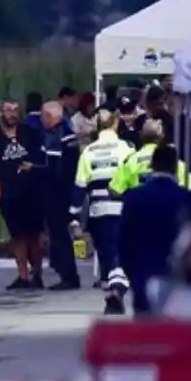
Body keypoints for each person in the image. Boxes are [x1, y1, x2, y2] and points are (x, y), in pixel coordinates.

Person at [119, 145, 191, 315]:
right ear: (175, 167)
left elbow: (124, 240)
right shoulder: (188, 199)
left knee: (145, 334)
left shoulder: (134, 198)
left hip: (143, 276)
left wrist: (129, 271)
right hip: (178, 280)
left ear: (152, 166)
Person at [0, 98, 47, 289]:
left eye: (15, 110)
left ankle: (38, 272)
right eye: (8, 110)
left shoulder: (30, 134)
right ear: (1, 113)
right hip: (10, 195)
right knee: (17, 236)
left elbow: (42, 160)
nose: (11, 114)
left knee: (35, 236)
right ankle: (23, 276)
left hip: (32, 192)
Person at [70, 109, 135, 293]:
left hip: (97, 208)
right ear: (115, 124)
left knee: (104, 247)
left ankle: (106, 277)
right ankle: (119, 279)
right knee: (120, 245)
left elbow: (80, 186)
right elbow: (134, 177)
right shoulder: (126, 148)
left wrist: (74, 217)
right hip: (121, 205)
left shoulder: (88, 151)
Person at [40, 101, 81, 290]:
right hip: (62, 191)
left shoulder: (59, 135)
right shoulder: (66, 132)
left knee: (59, 235)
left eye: (43, 116)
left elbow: (57, 168)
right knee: (58, 234)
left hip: (58, 193)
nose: (41, 120)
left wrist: (36, 170)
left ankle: (68, 275)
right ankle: (64, 271)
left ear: (49, 117)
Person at [109, 120, 191, 195]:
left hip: (141, 209)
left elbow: (115, 189)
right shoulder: (173, 160)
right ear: (162, 136)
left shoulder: (131, 160)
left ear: (141, 136)